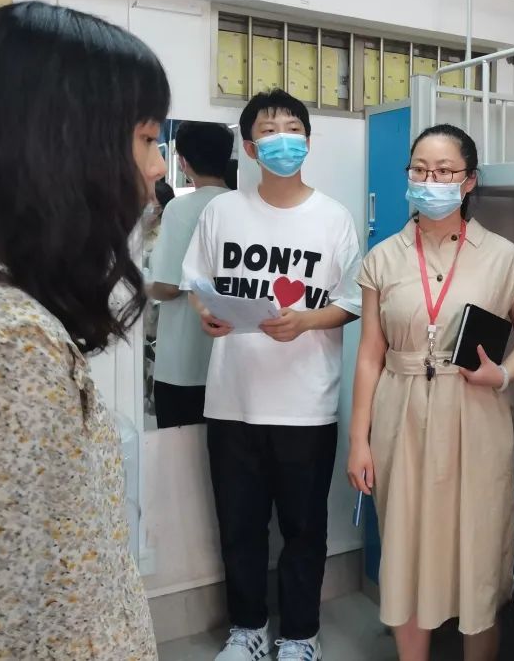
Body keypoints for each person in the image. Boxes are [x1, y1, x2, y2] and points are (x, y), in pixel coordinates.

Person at [0, 2, 169, 659]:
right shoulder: (3, 346)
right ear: (62, 147)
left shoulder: (6, 316)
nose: (158, 167)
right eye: (146, 139)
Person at [348, 123, 514, 661]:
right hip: (401, 413)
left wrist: (502, 374)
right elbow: (369, 354)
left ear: (469, 181)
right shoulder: (382, 258)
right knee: (406, 548)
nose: (429, 181)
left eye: (443, 171)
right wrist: (359, 440)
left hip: (475, 412)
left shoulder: (502, 256)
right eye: (419, 170)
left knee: (478, 547)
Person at [181, 89, 362, 661]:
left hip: (306, 404)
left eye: (293, 128)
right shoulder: (221, 212)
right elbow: (196, 284)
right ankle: (248, 630)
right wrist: (206, 314)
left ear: (308, 140)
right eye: (269, 129)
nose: (283, 139)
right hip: (232, 399)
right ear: (249, 146)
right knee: (239, 526)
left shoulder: (334, 218)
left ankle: (301, 636)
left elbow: (352, 302)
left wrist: (307, 320)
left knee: (304, 530)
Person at [147, 121, 235, 428]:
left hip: (182, 362)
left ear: (183, 162)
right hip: (229, 359)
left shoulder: (179, 208)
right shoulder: (241, 205)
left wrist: (136, 286)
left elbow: (169, 287)